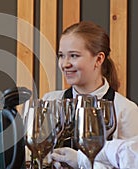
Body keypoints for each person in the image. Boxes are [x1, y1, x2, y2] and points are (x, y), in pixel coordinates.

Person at [42, 21, 138, 168]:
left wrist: (82, 161)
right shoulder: (50, 101)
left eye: (74, 56)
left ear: (99, 59)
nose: (65, 64)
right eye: (61, 55)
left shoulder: (126, 110)